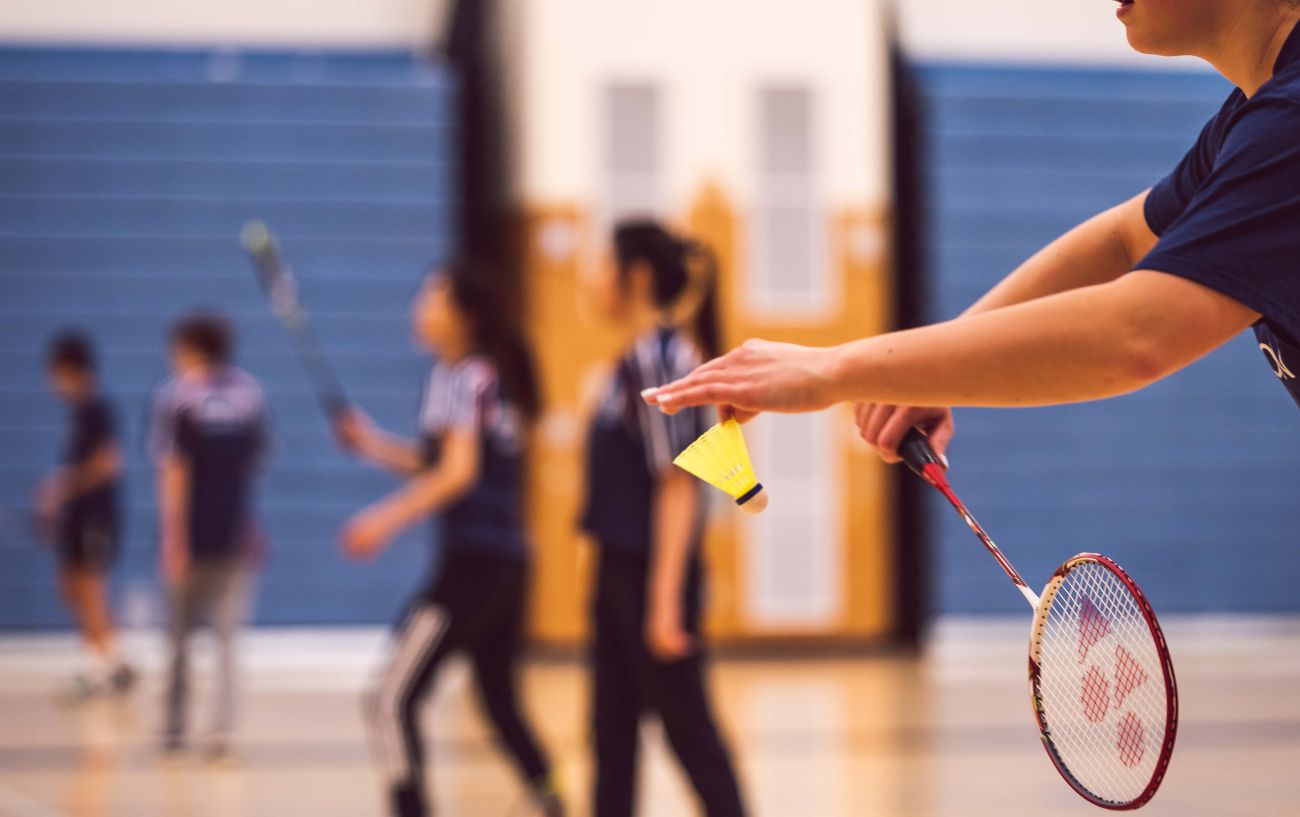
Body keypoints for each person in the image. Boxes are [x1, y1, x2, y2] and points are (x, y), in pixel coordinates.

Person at [645, 1, 1300, 459]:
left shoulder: (1290, 121)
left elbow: (1139, 331)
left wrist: (832, 368)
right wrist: (925, 373)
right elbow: (1124, 241)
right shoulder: (1252, 117)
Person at [334, 261, 562, 817]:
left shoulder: (464, 377)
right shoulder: (482, 377)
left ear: (464, 317)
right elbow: (440, 461)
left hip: (475, 569)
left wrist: (381, 521)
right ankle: (552, 799)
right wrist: (372, 444)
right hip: (508, 565)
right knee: (500, 702)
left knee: (388, 698)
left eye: (431, 299)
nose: (420, 309)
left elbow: (456, 474)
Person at [579, 220, 747, 817]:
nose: (592, 278)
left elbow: (677, 483)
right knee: (611, 736)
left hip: (650, 577)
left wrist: (663, 601)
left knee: (689, 734)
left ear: (637, 275)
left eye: (603, 264)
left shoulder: (662, 356)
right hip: (619, 572)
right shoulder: (632, 359)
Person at [149, 313, 269, 759]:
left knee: (179, 640)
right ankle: (221, 733)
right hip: (234, 535)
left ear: (191, 348)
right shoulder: (250, 394)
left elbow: (173, 471)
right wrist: (251, 525)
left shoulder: (177, 396)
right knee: (226, 641)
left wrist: (172, 537)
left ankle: (175, 730)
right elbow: (251, 470)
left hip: (194, 538)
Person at [36, 331, 135, 699]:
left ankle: (100, 671)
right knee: (71, 585)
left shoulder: (97, 408)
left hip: (98, 515)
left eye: (54, 373)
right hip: (78, 516)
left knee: (92, 589)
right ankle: (114, 662)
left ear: (68, 370)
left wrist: (61, 486)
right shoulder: (78, 412)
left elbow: (109, 462)